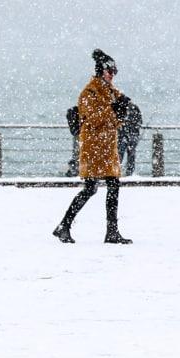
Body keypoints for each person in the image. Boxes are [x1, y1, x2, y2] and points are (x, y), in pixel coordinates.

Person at [53, 49, 132, 244]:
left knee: (113, 185)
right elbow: (93, 119)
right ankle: (64, 225)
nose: (113, 74)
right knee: (90, 188)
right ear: (101, 71)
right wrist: (114, 111)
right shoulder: (89, 92)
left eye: (115, 71)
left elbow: (113, 121)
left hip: (108, 147)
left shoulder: (112, 91)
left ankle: (111, 231)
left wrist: (122, 111)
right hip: (93, 147)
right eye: (110, 70)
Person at [115, 95, 143, 175]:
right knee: (131, 154)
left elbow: (117, 122)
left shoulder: (120, 108)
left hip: (122, 135)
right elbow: (140, 121)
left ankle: (117, 172)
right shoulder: (135, 108)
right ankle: (129, 172)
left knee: (120, 153)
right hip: (133, 135)